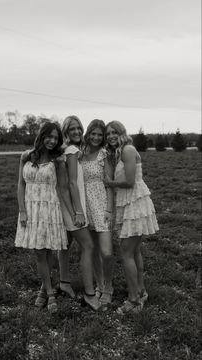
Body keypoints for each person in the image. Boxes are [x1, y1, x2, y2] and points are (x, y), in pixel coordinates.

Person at [15, 120, 69, 313]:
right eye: (50, 136)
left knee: (47, 251)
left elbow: (63, 188)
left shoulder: (58, 160)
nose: (53, 141)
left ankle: (44, 288)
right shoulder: (26, 156)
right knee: (39, 252)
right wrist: (22, 210)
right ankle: (49, 291)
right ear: (42, 136)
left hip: (50, 208)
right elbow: (21, 184)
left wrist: (71, 212)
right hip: (31, 208)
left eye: (56, 138)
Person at [105, 121, 159, 314]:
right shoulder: (121, 151)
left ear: (121, 132)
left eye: (114, 132)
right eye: (108, 133)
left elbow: (128, 181)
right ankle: (141, 291)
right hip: (129, 203)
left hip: (134, 203)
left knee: (126, 252)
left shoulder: (127, 149)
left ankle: (133, 300)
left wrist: (108, 183)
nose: (110, 136)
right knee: (134, 251)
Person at [58, 115, 101, 311]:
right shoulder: (72, 151)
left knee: (65, 245)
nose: (76, 132)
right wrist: (79, 211)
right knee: (88, 246)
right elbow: (72, 183)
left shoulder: (66, 150)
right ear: (65, 131)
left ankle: (63, 282)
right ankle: (90, 294)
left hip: (66, 206)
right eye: (72, 129)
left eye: (78, 128)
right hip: (75, 209)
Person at [81, 119, 114, 306]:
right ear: (88, 133)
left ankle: (108, 285)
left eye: (99, 135)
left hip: (101, 205)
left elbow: (109, 185)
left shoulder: (104, 154)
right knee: (92, 250)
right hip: (86, 207)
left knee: (107, 252)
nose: (96, 137)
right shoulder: (81, 153)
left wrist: (109, 209)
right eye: (93, 133)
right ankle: (100, 285)